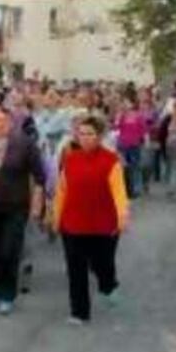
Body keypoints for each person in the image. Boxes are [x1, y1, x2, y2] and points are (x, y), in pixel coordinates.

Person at [53, 116, 129, 324]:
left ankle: (108, 285)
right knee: (75, 269)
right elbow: (62, 191)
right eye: (82, 134)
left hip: (103, 225)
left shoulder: (110, 161)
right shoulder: (71, 159)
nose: (85, 138)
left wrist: (122, 215)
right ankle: (79, 312)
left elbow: (119, 191)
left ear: (99, 136)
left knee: (102, 264)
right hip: (73, 224)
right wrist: (55, 217)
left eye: (90, 134)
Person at [0, 108, 45, 316]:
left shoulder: (25, 145)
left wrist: (36, 205)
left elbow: (39, 177)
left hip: (16, 207)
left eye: (3, 121)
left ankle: (7, 294)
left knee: (9, 251)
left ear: (12, 122)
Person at [115, 94, 148, 199]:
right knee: (123, 168)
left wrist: (146, 141)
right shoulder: (121, 115)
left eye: (127, 102)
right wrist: (118, 117)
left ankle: (136, 189)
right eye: (123, 102)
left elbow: (143, 130)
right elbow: (116, 127)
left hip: (134, 145)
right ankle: (125, 189)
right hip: (122, 145)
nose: (125, 104)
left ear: (132, 104)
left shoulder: (138, 115)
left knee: (135, 167)